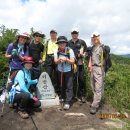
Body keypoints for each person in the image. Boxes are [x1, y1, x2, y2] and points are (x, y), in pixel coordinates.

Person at [54, 36, 75, 110]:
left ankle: (67, 102)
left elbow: (73, 61)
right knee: (62, 84)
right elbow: (55, 61)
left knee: (69, 86)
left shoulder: (70, 50)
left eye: (63, 42)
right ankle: (62, 97)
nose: (62, 44)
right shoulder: (56, 50)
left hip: (69, 71)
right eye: (60, 43)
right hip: (60, 70)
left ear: (66, 43)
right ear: (58, 44)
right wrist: (60, 59)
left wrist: (66, 59)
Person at [68, 28, 87, 103]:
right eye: (73, 33)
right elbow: (66, 51)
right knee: (73, 80)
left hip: (80, 63)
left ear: (78, 34)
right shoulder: (68, 42)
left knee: (82, 79)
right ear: (71, 34)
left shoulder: (82, 42)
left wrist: (83, 54)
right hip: (72, 64)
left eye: (76, 33)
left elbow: (86, 51)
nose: (74, 34)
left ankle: (83, 95)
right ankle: (73, 95)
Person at [88, 32, 105, 114]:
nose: (95, 38)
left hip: (99, 68)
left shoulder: (103, 48)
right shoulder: (92, 48)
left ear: (99, 37)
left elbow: (106, 59)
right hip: (92, 68)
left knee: (98, 88)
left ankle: (94, 106)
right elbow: (90, 58)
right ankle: (97, 102)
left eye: (96, 37)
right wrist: (90, 67)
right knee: (93, 87)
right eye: (93, 37)